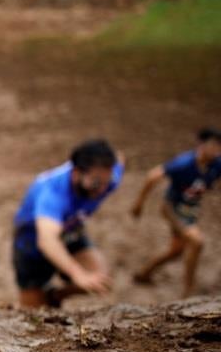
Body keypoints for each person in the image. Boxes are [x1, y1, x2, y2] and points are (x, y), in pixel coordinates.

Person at [12, 140, 124, 308]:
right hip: (31, 242)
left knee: (100, 279)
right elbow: (47, 240)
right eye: (96, 183)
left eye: (106, 183)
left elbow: (120, 158)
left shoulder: (111, 175)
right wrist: (77, 274)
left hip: (70, 230)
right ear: (76, 173)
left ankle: (56, 295)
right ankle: (41, 295)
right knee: (31, 311)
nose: (102, 189)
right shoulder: (52, 192)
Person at [131, 127, 221, 298]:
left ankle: (144, 273)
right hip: (172, 210)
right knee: (197, 242)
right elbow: (152, 176)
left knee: (176, 251)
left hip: (190, 210)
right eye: (214, 145)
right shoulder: (184, 164)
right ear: (201, 145)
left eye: (219, 147)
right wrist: (139, 204)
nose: (217, 150)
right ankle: (189, 291)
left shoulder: (216, 164)